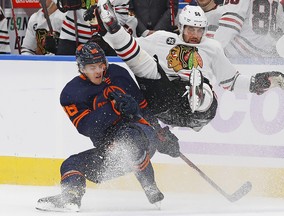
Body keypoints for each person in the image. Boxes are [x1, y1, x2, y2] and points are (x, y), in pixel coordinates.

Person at [86, 1, 284, 132]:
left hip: (200, 112)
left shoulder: (212, 47)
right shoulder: (162, 39)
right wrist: (107, 31)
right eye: (190, 28)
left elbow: (232, 81)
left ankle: (198, 93)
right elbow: (131, 47)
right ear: (181, 27)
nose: (195, 34)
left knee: (203, 84)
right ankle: (111, 23)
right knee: (146, 66)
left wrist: (259, 82)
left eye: (199, 30)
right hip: (166, 101)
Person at [35, 41, 180, 212]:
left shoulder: (119, 75)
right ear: (81, 68)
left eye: (100, 65)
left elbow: (144, 109)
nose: (98, 71)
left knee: (128, 138)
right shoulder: (71, 93)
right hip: (112, 153)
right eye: (91, 67)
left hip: (141, 136)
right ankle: (71, 197)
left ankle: (150, 186)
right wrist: (112, 108)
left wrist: (159, 134)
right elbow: (86, 127)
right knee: (71, 164)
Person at [196, 0, 284, 58]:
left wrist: (207, 54)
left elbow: (230, 25)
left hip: (245, 52)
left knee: (205, 32)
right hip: (268, 52)